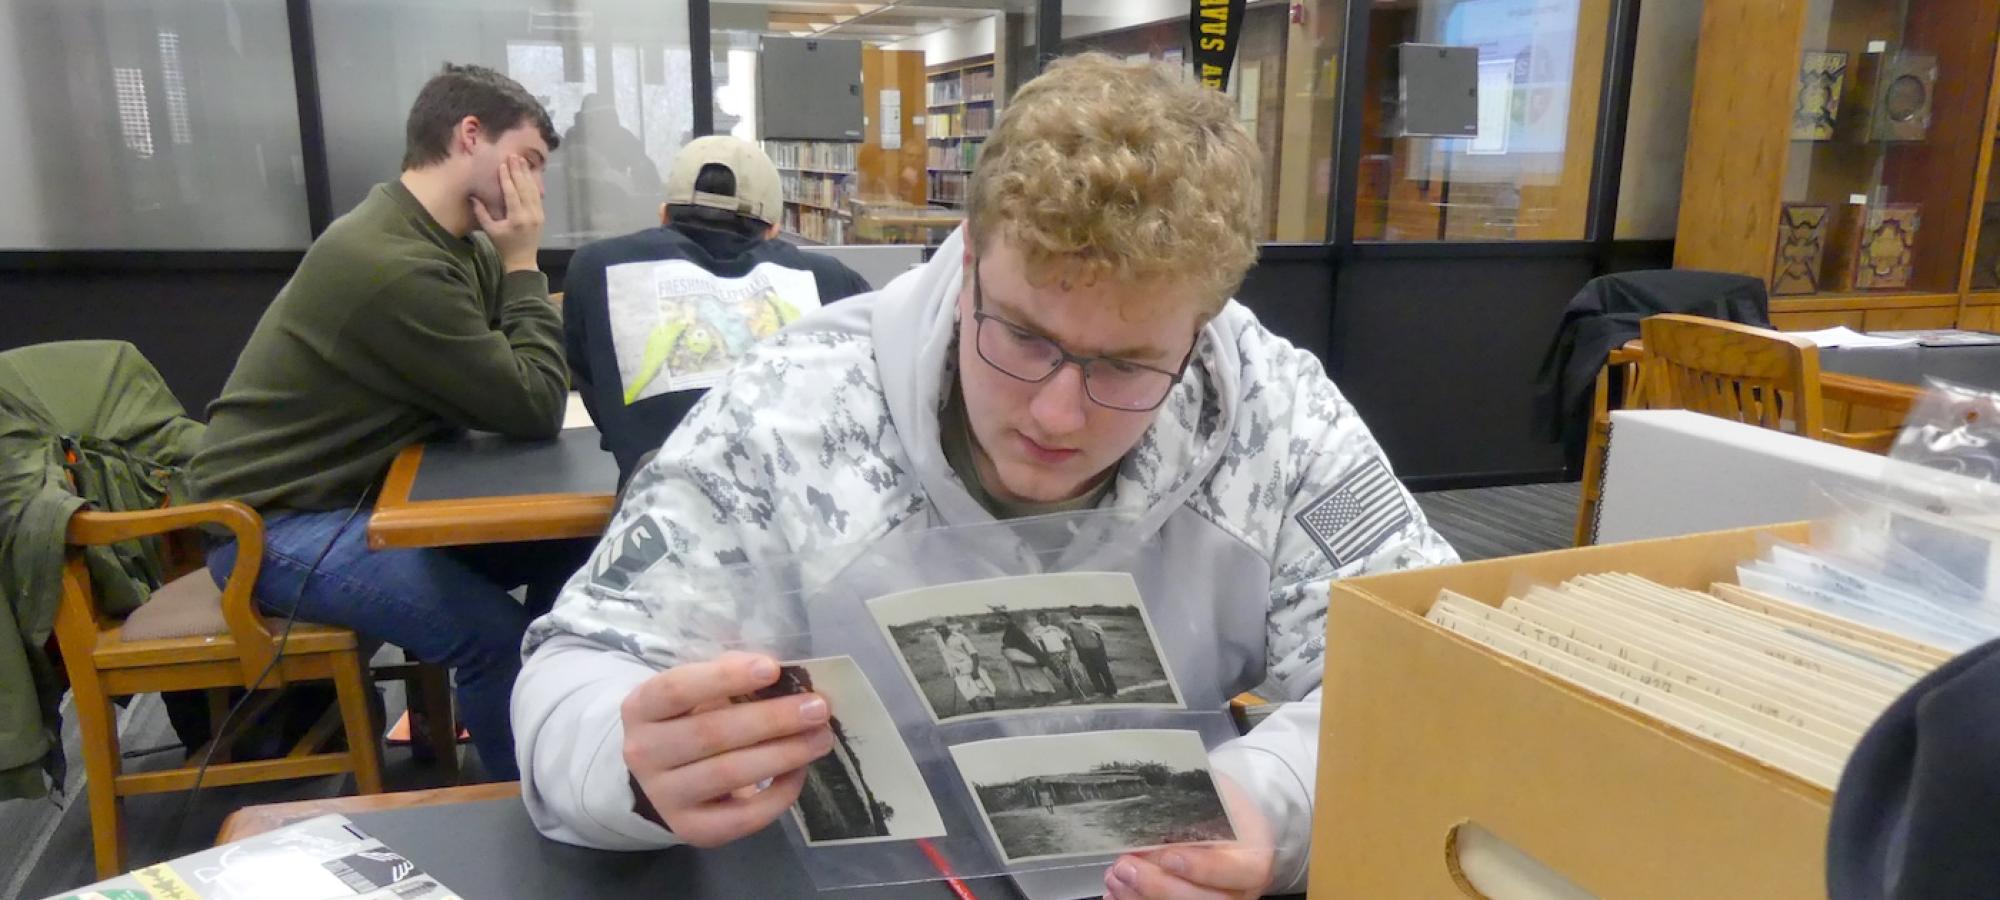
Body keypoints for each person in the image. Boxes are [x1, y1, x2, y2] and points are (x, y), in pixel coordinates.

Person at [512, 53, 1458, 897]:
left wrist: (1268, 804)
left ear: (1200, 331)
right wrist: (629, 761)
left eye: (1126, 366)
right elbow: (575, 672)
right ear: (966, 269)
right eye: (1021, 336)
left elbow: (1435, 681)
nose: (1055, 414)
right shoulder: (791, 411)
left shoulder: (1274, 418)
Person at [189, 62, 586, 783]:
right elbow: (530, 403)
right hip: (272, 526)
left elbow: (514, 363)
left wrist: (523, 298)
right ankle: (526, 812)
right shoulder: (394, 264)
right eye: (527, 163)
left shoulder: (452, 243)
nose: (536, 190)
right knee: (494, 640)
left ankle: (555, 729)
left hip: (361, 497)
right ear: (471, 136)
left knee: (577, 547)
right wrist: (525, 261)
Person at [562, 135, 874, 485]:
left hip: (662, 522)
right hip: (812, 520)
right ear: (773, 230)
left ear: (664, 215)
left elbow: (609, 410)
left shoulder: (596, 269)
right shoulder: (832, 280)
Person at [932, 621, 996, 714]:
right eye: (937, 628)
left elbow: (974, 653)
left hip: (969, 667)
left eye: (941, 627)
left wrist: (975, 670)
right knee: (968, 694)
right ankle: (977, 712)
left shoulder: (960, 637)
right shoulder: (938, 639)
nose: (940, 630)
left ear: (946, 626)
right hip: (956, 671)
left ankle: (993, 709)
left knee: (984, 689)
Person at [999, 613, 1057, 700]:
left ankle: (1045, 697)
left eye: (1003, 620)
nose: (1001, 622)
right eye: (1000, 620)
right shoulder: (1009, 630)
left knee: (1035, 678)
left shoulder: (1014, 630)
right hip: (1021, 659)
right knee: (1029, 679)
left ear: (1009, 619)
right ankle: (1042, 697)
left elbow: (1018, 644)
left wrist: (1005, 648)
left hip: (1026, 658)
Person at [1064, 606, 1117, 698]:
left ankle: (1112, 690)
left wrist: (1102, 651)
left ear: (1081, 612)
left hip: (1096, 649)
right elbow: (1072, 639)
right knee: (1091, 671)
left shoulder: (1089, 623)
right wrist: (1079, 652)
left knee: (1104, 670)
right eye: (1073, 612)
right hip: (1083, 651)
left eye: (1077, 611)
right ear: (1071, 614)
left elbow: (1099, 637)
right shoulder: (1069, 625)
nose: (1075, 613)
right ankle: (1100, 689)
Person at [1031, 611, 1083, 700]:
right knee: (1063, 673)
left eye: (1045, 618)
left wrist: (1067, 652)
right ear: (1038, 620)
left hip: (1063, 652)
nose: (1044, 620)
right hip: (1052, 654)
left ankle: (1077, 692)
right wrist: (1047, 656)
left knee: (1073, 672)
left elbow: (1066, 639)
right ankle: (1074, 692)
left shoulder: (1054, 628)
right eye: (1041, 619)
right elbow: (1040, 644)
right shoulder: (1036, 631)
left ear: (1048, 619)